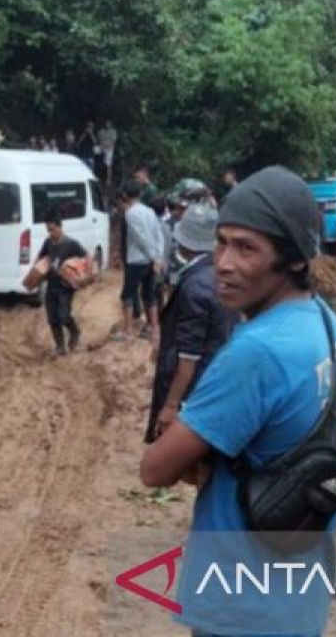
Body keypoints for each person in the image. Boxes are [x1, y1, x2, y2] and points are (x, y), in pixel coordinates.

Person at [140, 165, 336, 636]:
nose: (224, 262)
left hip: (240, 607)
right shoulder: (322, 322)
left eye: (247, 248)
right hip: (295, 596)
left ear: (294, 259)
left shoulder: (257, 352)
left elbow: (154, 470)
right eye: (222, 242)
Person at [145, 203, 237, 445]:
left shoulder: (194, 286)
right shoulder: (223, 274)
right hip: (219, 373)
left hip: (195, 385)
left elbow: (188, 357)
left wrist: (171, 405)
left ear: (184, 242)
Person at [116, 180, 165, 344]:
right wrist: (157, 256)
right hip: (150, 261)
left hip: (136, 260)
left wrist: (152, 256)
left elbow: (140, 238)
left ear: (126, 196)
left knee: (128, 294)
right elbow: (158, 235)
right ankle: (154, 331)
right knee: (149, 295)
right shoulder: (150, 211)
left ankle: (128, 331)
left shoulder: (130, 213)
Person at [35, 211, 87, 357]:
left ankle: (74, 331)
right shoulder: (48, 242)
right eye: (48, 230)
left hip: (65, 288)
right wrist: (36, 271)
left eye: (52, 229)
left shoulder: (71, 244)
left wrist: (77, 275)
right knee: (52, 318)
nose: (50, 233)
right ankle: (60, 346)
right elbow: (41, 256)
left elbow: (86, 258)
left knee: (63, 315)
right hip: (51, 285)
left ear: (60, 227)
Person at [97, 120, 118, 185]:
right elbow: (99, 140)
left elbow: (113, 142)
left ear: (111, 124)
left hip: (109, 150)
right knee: (99, 163)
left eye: (109, 124)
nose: (107, 125)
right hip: (101, 149)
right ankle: (99, 177)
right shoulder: (101, 131)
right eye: (106, 123)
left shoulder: (113, 132)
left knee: (108, 165)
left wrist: (109, 147)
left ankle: (108, 179)